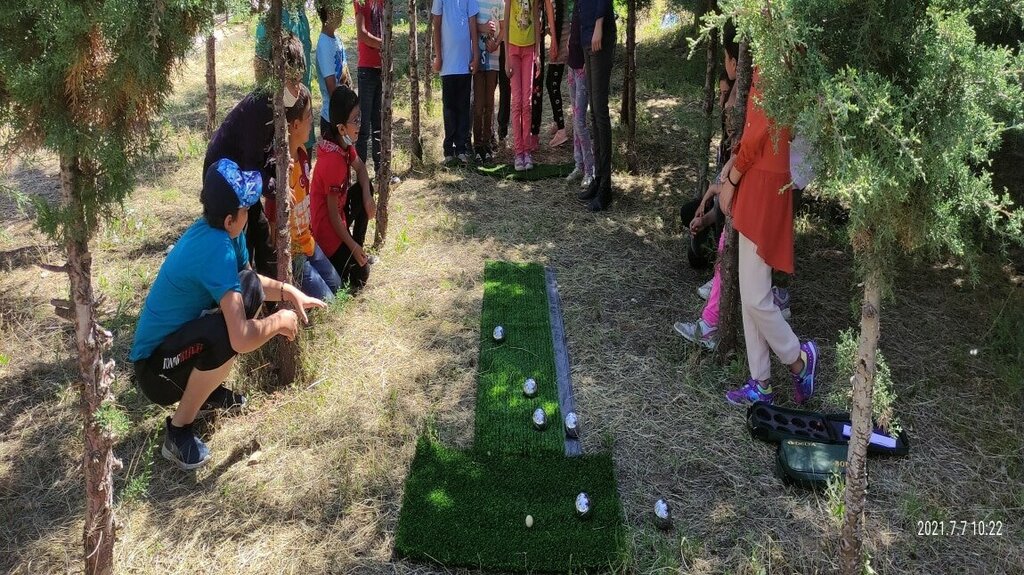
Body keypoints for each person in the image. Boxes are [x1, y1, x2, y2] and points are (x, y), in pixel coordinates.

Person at [131, 159, 327, 470]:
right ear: (229, 219)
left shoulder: (226, 234)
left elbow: (249, 283)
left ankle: (205, 392)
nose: (252, 213)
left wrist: (289, 292)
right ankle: (178, 432)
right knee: (224, 336)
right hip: (155, 371)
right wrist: (279, 321)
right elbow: (242, 338)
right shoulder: (215, 248)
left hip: (175, 349)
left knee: (246, 289)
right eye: (247, 208)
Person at [717, 70, 818, 407]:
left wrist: (732, 178)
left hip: (763, 176)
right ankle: (761, 381)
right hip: (764, 172)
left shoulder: (777, 55)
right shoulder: (780, 52)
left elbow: (759, 128)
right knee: (751, 289)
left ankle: (798, 360)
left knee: (757, 295)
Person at [205, 35, 307, 279]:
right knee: (246, 239)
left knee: (260, 234)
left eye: (299, 80)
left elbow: (263, 156)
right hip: (227, 182)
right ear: (278, 76)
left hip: (243, 179)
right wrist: (276, 187)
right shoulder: (261, 109)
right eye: (292, 81)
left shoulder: (274, 104)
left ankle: (266, 292)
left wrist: (276, 167)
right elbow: (251, 166)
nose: (297, 88)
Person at [266, 85, 343, 302]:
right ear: (295, 125)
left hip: (309, 242)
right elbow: (272, 224)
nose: (313, 122)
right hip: (294, 254)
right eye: (309, 116)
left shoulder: (303, 156)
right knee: (330, 303)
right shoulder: (278, 170)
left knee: (338, 288)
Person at [311, 86, 378, 290]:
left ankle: (358, 248)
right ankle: (352, 251)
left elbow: (361, 170)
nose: (360, 124)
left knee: (363, 190)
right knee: (359, 278)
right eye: (355, 120)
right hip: (328, 233)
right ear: (341, 128)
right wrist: (351, 245)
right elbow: (332, 216)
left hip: (339, 218)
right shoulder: (334, 161)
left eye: (360, 118)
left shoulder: (345, 144)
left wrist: (367, 197)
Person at [255, 4, 316, 152]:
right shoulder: (270, 21)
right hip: (280, 120)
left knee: (303, 162)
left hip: (303, 116)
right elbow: (261, 75)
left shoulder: (301, 16)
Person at [577, 0, 615, 211]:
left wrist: (599, 25)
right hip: (586, 35)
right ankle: (598, 179)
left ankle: (606, 188)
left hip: (599, 35)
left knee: (600, 112)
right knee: (594, 113)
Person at [432, 0, 480, 165]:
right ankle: (448, 150)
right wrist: (438, 56)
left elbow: (472, 23)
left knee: (463, 108)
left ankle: (461, 149)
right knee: (449, 109)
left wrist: (475, 55)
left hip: (464, 64)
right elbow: (436, 24)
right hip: (447, 65)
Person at [504, 0, 541, 171]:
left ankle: (527, 151)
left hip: (529, 50)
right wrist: (506, 59)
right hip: (512, 49)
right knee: (517, 102)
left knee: (527, 103)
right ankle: (518, 152)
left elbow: (536, 18)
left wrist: (538, 54)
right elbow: (505, 20)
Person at [565, 2, 594, 189]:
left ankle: (590, 170)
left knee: (580, 121)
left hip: (583, 66)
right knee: (575, 118)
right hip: (572, 63)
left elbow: (592, 30)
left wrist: (588, 59)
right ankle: (578, 164)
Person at [354, 0, 385, 173]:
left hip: (381, 69)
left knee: (378, 123)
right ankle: (361, 173)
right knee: (364, 126)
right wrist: (384, 44)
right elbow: (361, 34)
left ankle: (381, 169)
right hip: (366, 70)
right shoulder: (361, 2)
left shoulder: (380, 2)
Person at [316, 2, 353, 140]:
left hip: (344, 115)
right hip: (332, 119)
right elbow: (332, 87)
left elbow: (345, 72)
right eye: (338, 8)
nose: (342, 12)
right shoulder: (324, 44)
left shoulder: (336, 38)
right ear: (329, 12)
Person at [473, 0, 504, 162]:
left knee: (489, 103)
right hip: (478, 60)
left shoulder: (499, 2)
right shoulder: (474, 2)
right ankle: (477, 145)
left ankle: (486, 145)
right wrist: (482, 28)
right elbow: (470, 25)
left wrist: (497, 43)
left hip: (493, 60)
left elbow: (503, 28)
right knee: (478, 105)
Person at [536, 0, 568, 148]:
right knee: (553, 82)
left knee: (552, 83)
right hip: (561, 31)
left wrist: (554, 41)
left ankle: (561, 129)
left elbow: (557, 10)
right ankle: (558, 122)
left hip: (563, 34)